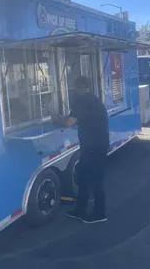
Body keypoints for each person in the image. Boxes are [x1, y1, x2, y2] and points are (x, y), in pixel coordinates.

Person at [52, 76, 109, 224]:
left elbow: (69, 123)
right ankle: (80, 210)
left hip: (93, 147)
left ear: (77, 88)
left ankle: (100, 213)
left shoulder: (82, 101)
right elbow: (79, 118)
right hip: (97, 145)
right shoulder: (94, 99)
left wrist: (58, 119)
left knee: (95, 180)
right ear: (88, 87)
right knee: (83, 179)